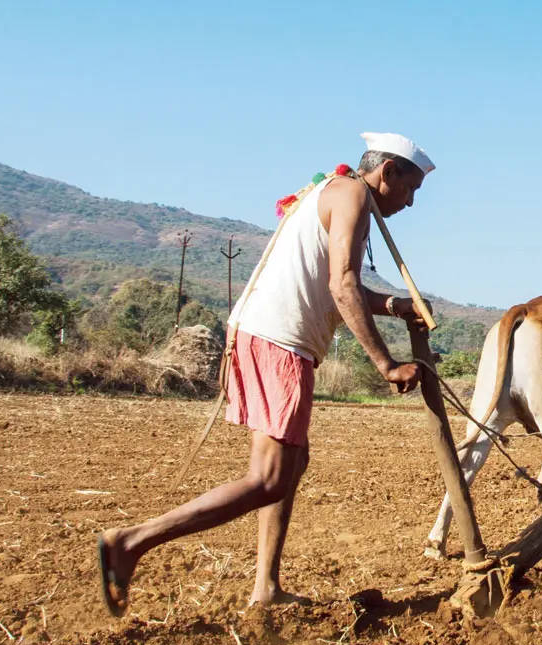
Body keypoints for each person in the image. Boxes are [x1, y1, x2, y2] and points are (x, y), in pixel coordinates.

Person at [97, 132, 436, 617]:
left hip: (263, 335)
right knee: (271, 476)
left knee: (288, 468)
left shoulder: (336, 192)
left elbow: (337, 285)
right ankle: (130, 543)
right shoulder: (354, 196)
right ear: (388, 173)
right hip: (279, 343)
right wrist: (385, 364)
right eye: (411, 189)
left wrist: (396, 305)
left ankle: (266, 589)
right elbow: (342, 287)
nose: (410, 202)